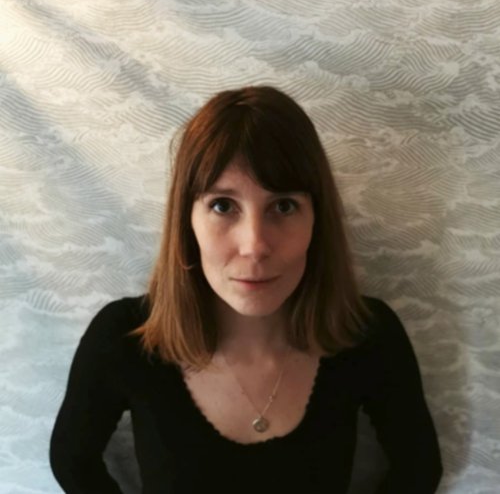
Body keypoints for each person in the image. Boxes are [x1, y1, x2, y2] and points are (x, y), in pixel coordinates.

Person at [50, 85, 443, 493]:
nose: (254, 245)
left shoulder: (367, 333)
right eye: (223, 205)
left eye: (284, 206)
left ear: (316, 220)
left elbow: (418, 470)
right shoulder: (125, 336)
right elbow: (71, 461)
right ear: (187, 221)